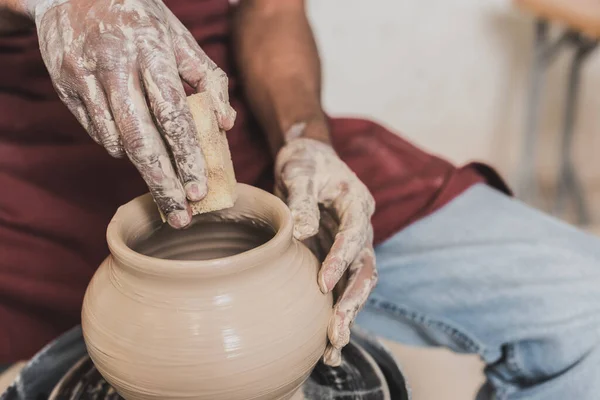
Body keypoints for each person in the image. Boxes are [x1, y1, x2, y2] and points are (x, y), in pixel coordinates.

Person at [1, 0, 599, 398]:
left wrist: (304, 139)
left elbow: (271, 8)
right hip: (35, 168)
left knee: (583, 305)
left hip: (251, 138)